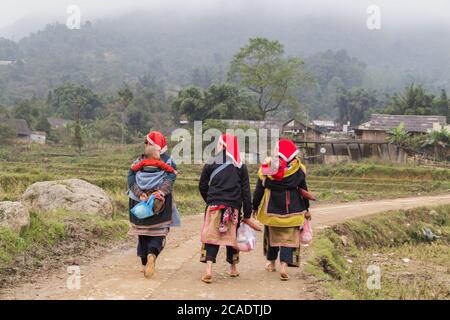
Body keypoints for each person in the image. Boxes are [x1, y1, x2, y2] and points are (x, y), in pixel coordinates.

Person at [198, 133, 260, 284]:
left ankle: (208, 270)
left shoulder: (211, 162)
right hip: (233, 208)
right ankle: (233, 269)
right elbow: (246, 192)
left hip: (214, 206)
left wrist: (210, 200)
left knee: (211, 237)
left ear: (221, 145)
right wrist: (247, 214)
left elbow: (202, 186)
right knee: (232, 237)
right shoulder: (240, 165)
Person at [252, 139, 311, 281]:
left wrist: (255, 206)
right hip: (294, 210)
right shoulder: (299, 168)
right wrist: (307, 208)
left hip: (272, 208)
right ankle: (284, 266)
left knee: (272, 237)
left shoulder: (268, 167)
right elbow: (303, 190)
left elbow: (260, 188)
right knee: (288, 240)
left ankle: (272, 264)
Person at [127, 131, 181, 279]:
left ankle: (144, 264)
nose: (145, 145)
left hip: (140, 203)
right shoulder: (168, 162)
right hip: (159, 204)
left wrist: (139, 194)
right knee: (159, 231)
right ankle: (152, 253)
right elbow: (172, 177)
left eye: (147, 142)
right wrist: (161, 192)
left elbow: (130, 178)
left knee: (143, 233)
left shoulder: (138, 161)